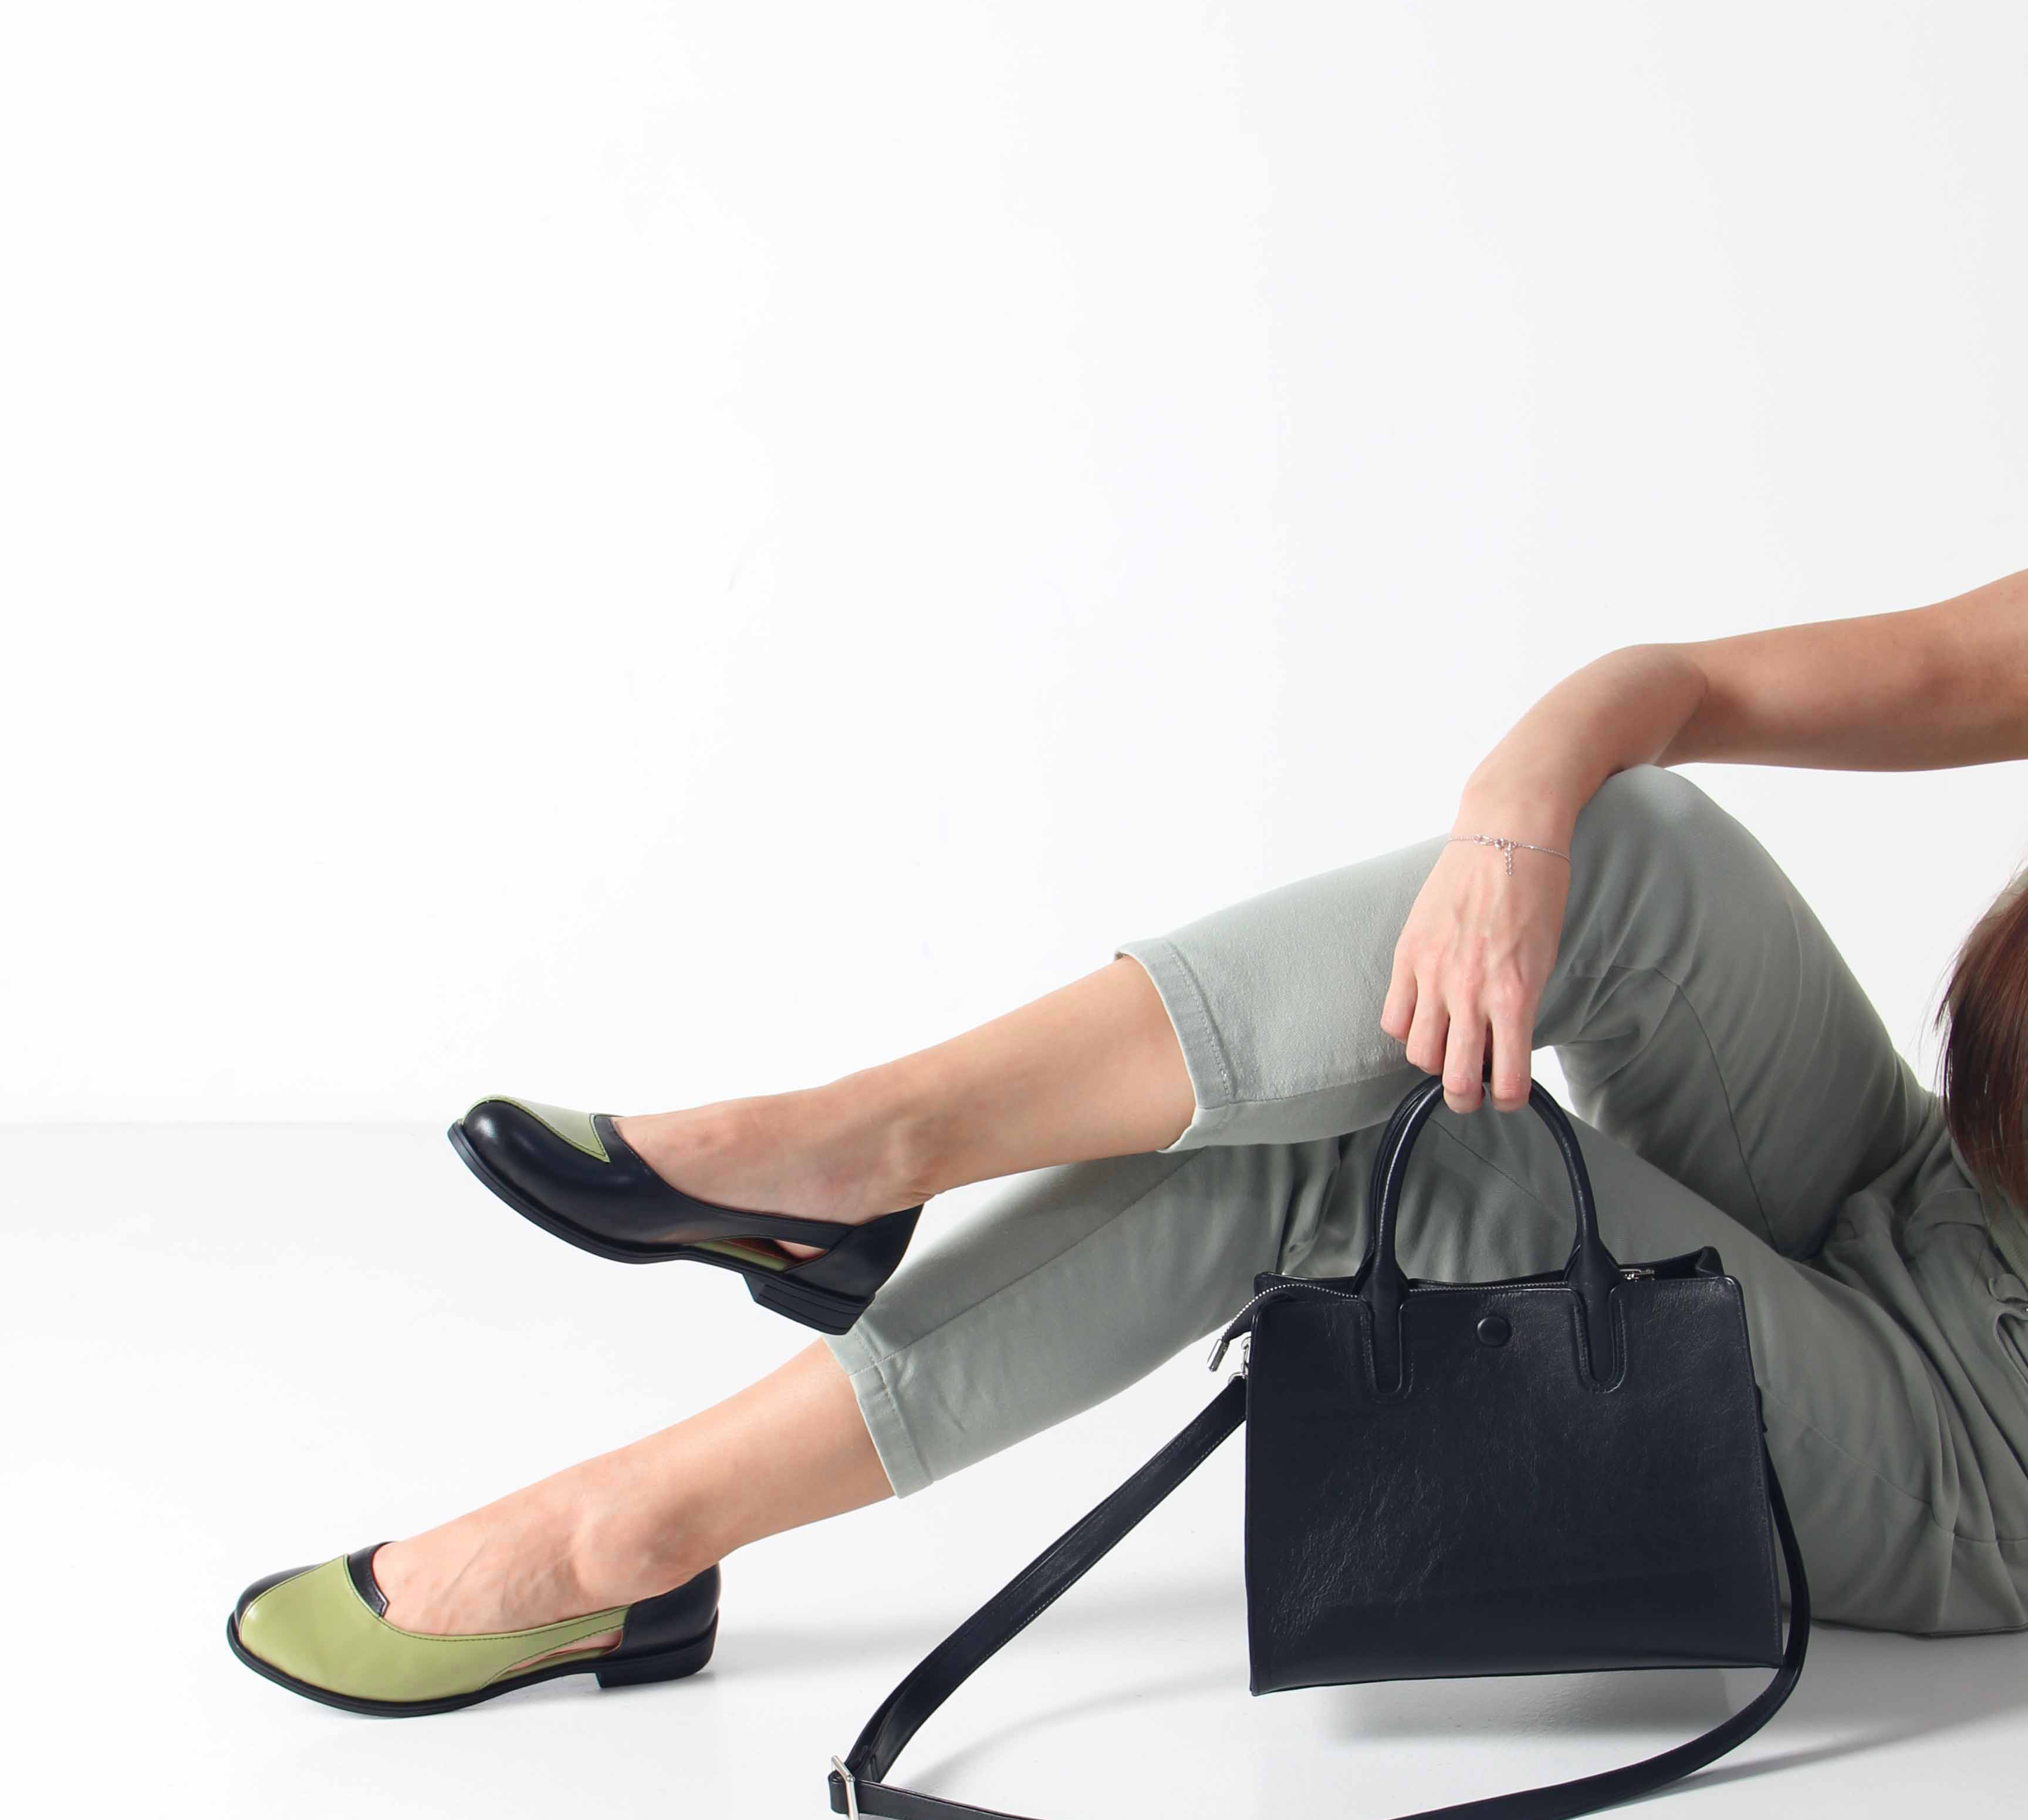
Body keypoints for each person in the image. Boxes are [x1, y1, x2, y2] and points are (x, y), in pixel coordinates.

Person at [229, 569, 2028, 1713]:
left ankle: (624, 1539)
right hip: (1932, 1184)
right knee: (1640, 847)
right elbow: (1676, 682)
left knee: (1364, 1161)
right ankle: (872, 1143)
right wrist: (1513, 822)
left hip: (1982, 1446)